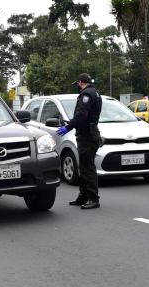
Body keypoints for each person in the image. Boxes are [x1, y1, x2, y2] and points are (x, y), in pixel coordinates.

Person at [57, 73, 103, 210]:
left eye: (77, 84)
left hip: (87, 135)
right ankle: (83, 195)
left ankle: (93, 198)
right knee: (83, 166)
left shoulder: (86, 95)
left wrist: (68, 127)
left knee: (88, 167)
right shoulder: (96, 93)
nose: (77, 86)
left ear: (81, 82)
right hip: (90, 133)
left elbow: (81, 115)